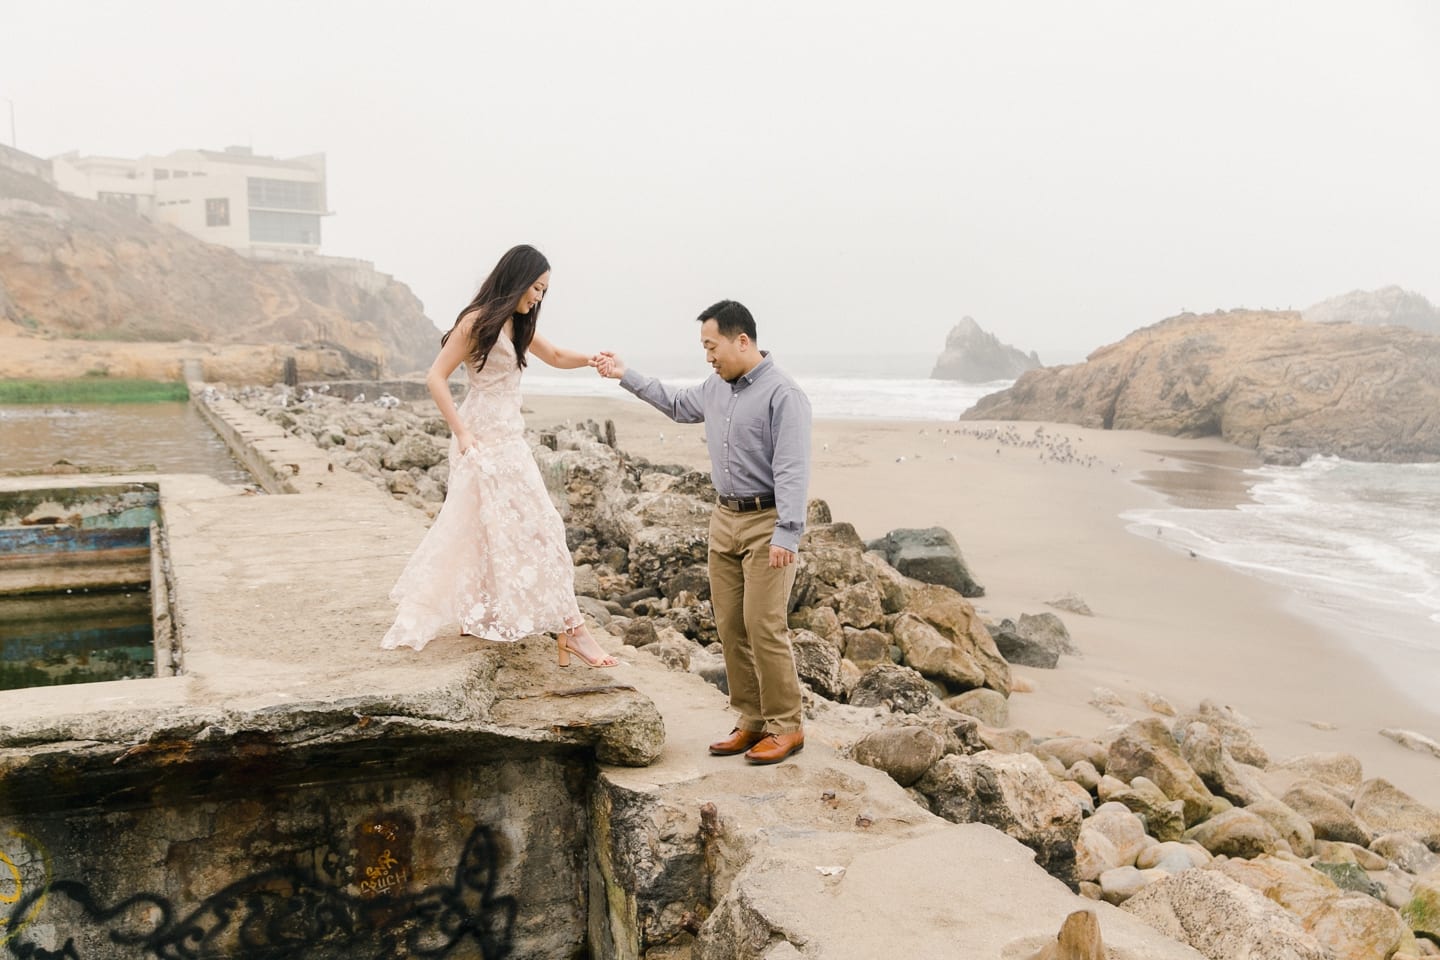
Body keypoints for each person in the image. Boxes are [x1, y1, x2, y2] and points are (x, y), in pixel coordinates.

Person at [381, 244, 617, 668]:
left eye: (544, 292)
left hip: (511, 438)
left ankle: (497, 619)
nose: (538, 298)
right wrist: (463, 434)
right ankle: (573, 631)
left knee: (520, 527)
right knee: (510, 526)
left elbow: (558, 356)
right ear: (517, 279)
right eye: (536, 288)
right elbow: (435, 377)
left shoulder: (518, 324)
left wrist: (593, 359)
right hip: (481, 441)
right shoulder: (477, 322)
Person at [596, 300, 811, 764]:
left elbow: (792, 468)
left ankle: (787, 725)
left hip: (766, 521)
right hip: (723, 519)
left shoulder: (783, 395)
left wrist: (788, 533)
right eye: (703, 348)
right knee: (731, 625)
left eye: (712, 346)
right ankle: (751, 719)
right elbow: (675, 404)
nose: (708, 357)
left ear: (742, 340)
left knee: (764, 625)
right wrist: (624, 373)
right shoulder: (716, 388)